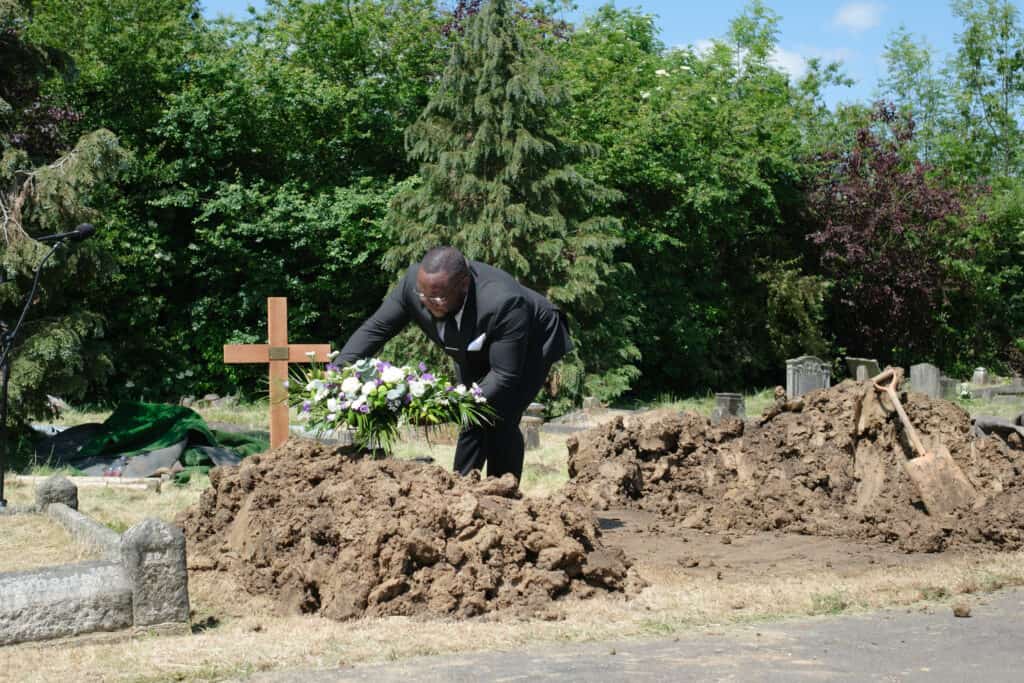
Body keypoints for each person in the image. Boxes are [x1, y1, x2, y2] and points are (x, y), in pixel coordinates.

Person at [337, 246, 571, 482]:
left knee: (501, 415)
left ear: (464, 284)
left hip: (530, 340)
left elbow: (503, 375)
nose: (429, 304)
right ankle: (460, 487)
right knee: (472, 418)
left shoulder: (505, 302)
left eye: (438, 298)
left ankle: (502, 497)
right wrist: (336, 374)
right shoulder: (416, 286)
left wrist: (445, 409)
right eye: (424, 296)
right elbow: (377, 328)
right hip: (472, 344)